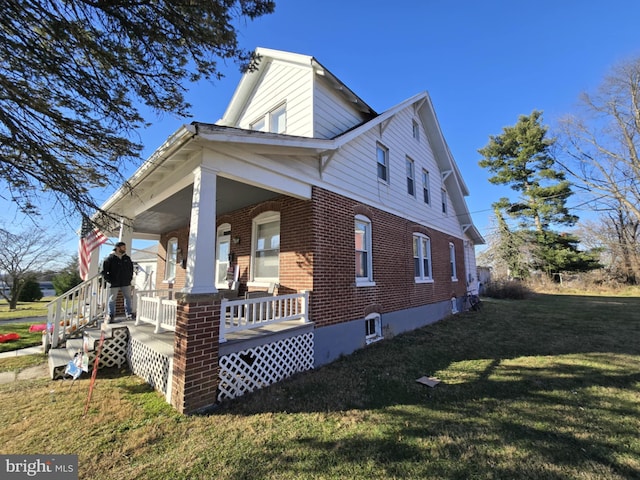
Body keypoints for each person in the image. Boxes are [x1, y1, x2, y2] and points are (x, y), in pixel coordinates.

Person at [101, 241, 135, 324]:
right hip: (114, 283)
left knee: (128, 298)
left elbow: (131, 269)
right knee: (112, 299)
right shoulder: (110, 258)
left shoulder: (127, 258)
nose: (125, 249)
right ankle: (111, 315)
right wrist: (109, 280)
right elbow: (104, 271)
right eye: (123, 247)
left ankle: (129, 313)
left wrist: (129, 278)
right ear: (118, 248)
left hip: (125, 282)